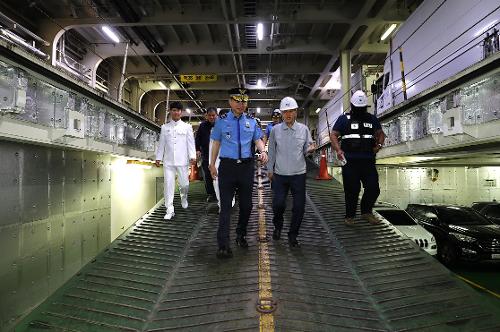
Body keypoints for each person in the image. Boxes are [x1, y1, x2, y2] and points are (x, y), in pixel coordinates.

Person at [209, 88, 268, 259]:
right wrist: (212, 165)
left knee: (247, 206)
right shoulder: (221, 122)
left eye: (244, 101)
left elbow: (258, 139)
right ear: (230, 101)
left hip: (246, 168)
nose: (241, 104)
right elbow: (216, 144)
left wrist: (263, 151)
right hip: (227, 167)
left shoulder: (251, 122)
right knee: (225, 207)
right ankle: (223, 245)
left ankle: (240, 234)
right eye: (237, 100)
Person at [330, 90, 385, 225]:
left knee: (373, 188)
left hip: (368, 162)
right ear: (352, 106)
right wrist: (338, 150)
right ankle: (350, 216)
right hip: (350, 162)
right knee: (352, 190)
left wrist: (378, 145)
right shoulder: (343, 119)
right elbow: (333, 135)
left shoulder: (372, 119)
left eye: (362, 108)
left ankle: (366, 212)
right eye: (357, 107)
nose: (360, 110)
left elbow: (381, 134)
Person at [267, 97, 315, 247]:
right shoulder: (275, 130)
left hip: (298, 174)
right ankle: (278, 226)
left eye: (291, 111)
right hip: (280, 175)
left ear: (295, 112)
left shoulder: (304, 129)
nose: (288, 114)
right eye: (285, 111)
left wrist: (310, 149)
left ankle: (293, 235)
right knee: (278, 205)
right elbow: (272, 151)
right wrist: (270, 169)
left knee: (299, 207)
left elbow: (307, 149)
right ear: (281, 113)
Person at [155, 101, 196, 220]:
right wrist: (158, 157)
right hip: (168, 161)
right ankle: (169, 209)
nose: (176, 112)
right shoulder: (164, 127)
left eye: (178, 110)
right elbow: (161, 143)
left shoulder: (187, 127)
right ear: (170, 112)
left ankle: (184, 197)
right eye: (173, 110)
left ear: (181, 112)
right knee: (168, 185)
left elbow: (190, 143)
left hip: (182, 161)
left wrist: (192, 156)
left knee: (184, 184)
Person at [195, 107, 217, 202]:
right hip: (206, 154)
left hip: (218, 155)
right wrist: (197, 149)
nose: (212, 117)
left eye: (213, 115)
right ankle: (211, 194)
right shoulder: (202, 126)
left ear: (217, 115)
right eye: (210, 115)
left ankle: (220, 193)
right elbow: (198, 138)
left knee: (218, 175)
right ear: (206, 116)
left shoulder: (221, 125)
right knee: (207, 176)